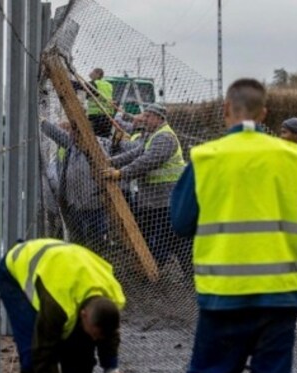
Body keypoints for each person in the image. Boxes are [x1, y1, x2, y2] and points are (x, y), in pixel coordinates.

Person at [171, 78, 297, 373]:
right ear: (265, 115)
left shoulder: (206, 157)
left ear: (226, 110)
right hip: (279, 299)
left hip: (222, 295)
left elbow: (180, 222)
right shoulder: (291, 159)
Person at [0, 238, 135, 373]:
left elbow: (108, 332)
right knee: (31, 349)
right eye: (95, 332)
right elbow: (43, 353)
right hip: (15, 271)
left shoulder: (112, 298)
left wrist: (111, 371)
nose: (97, 339)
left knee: (80, 346)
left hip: (65, 267)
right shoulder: (57, 305)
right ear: (85, 315)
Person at [103, 103, 192, 278]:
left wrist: (120, 173)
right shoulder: (154, 136)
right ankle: (154, 268)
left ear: (159, 118)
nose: (144, 119)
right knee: (162, 236)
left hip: (166, 199)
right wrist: (111, 162)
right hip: (155, 199)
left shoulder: (165, 137)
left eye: (148, 116)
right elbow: (136, 153)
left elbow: (147, 161)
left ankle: (158, 270)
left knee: (169, 238)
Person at [40, 119, 141, 252]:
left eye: (75, 132)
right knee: (78, 238)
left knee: (96, 238)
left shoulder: (98, 146)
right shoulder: (72, 146)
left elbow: (132, 150)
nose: (71, 135)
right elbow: (57, 134)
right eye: (71, 132)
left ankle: (99, 256)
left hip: (94, 203)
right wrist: (42, 122)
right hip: (74, 203)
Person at [85, 68, 115, 138]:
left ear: (98, 75)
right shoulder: (108, 85)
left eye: (92, 72)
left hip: (96, 115)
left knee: (94, 137)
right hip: (108, 115)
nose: (90, 73)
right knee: (105, 137)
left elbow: (81, 86)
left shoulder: (93, 83)